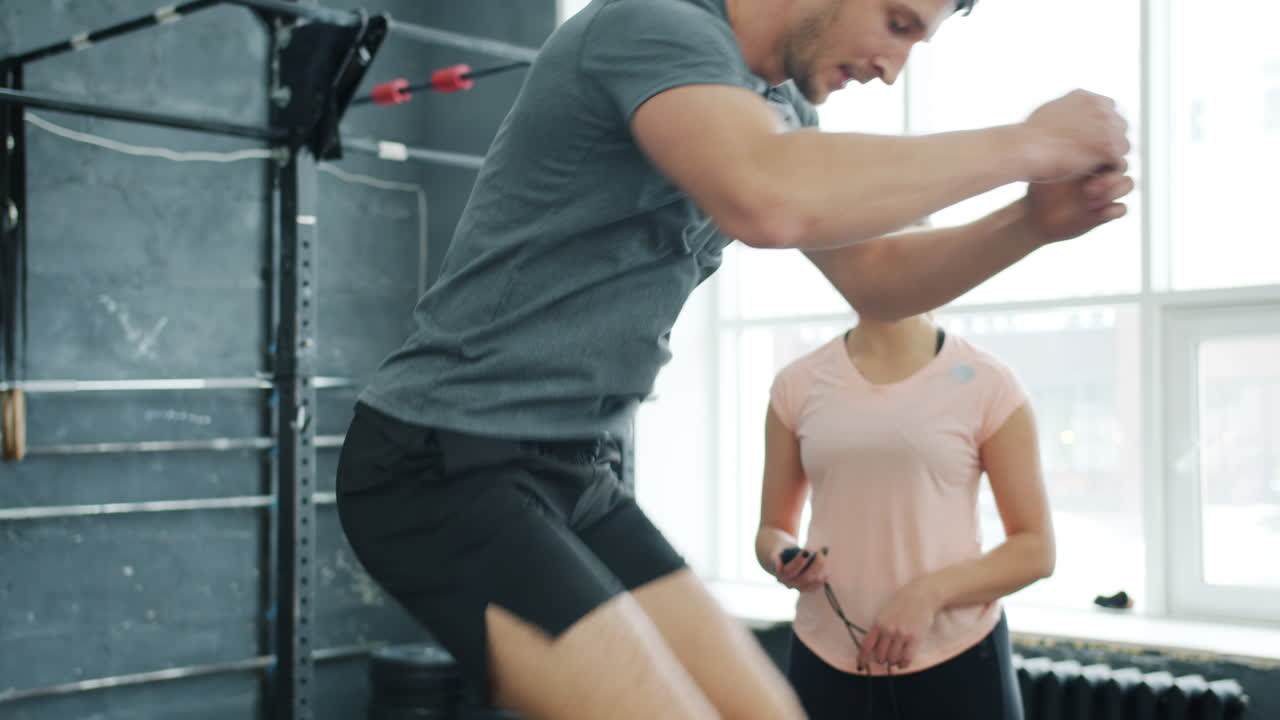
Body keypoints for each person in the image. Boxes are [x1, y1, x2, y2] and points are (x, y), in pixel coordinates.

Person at [335, 0, 1131, 716]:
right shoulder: (654, 27)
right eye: (896, 23)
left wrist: (1031, 224)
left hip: (574, 471)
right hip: (439, 464)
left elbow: (880, 279)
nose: (892, 69)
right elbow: (767, 196)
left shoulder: (777, 107)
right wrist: (1032, 143)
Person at [757, 310, 1052, 720]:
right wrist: (783, 557)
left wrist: (928, 594)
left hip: (957, 661)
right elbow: (772, 530)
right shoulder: (798, 383)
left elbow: (1035, 550)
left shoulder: (988, 382)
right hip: (824, 659)